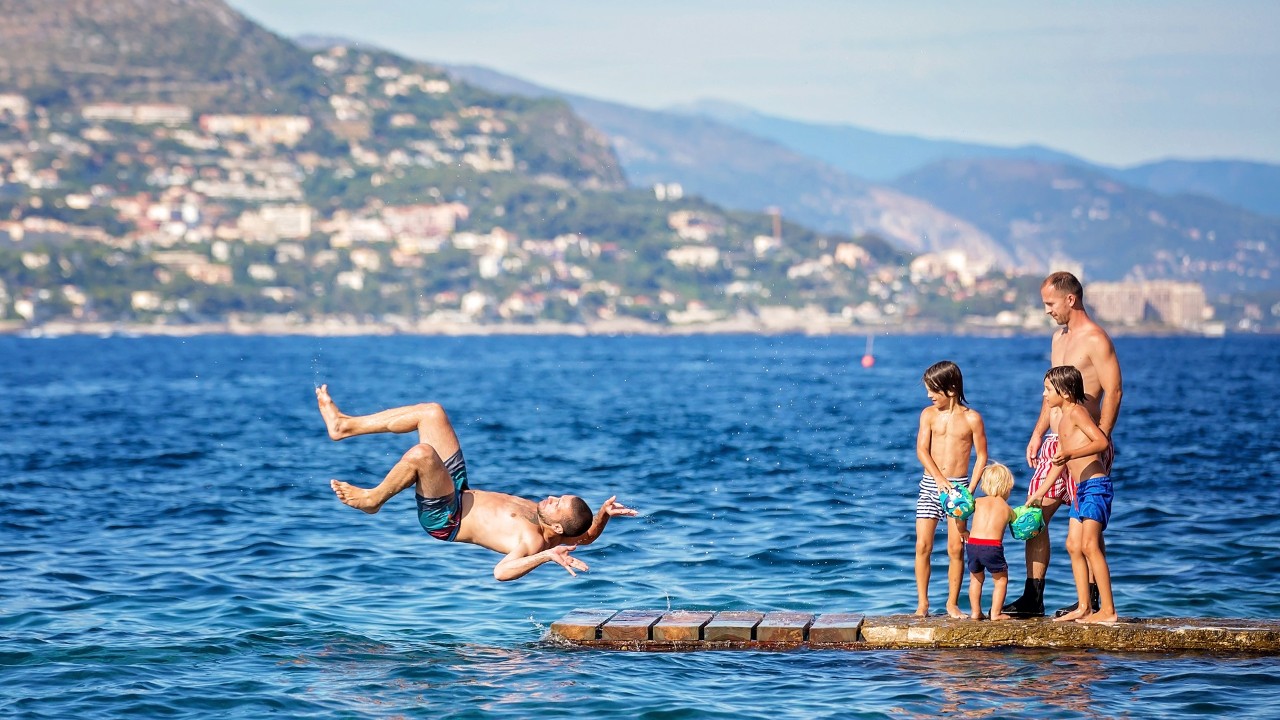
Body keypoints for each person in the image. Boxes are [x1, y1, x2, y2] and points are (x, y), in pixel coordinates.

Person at [315, 385, 637, 581]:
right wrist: (603, 514)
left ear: (555, 529)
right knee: (431, 412)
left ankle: (373, 500)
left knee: (423, 454)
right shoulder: (556, 528)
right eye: (557, 496)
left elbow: (501, 573)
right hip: (459, 488)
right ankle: (345, 426)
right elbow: (584, 537)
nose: (550, 497)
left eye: (556, 504)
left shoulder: (533, 542)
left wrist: (544, 557)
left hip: (446, 516)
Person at [1005, 271, 1122, 617]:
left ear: (1070, 299)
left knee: (1085, 528)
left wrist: (1101, 437)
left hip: (1085, 445)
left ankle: (1092, 601)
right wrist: (1037, 432)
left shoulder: (1096, 339)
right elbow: (1053, 392)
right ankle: (1033, 597)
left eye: (1049, 303)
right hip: (1054, 443)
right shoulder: (1058, 340)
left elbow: (1113, 390)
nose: (1046, 311)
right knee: (1034, 514)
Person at [1027, 366, 1117, 623]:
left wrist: (1071, 454)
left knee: (1089, 545)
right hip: (1080, 490)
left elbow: (1100, 442)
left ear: (1065, 393)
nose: (1044, 395)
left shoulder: (1078, 412)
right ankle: (1085, 607)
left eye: (1048, 390)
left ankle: (1108, 610)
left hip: (1095, 486)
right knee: (1072, 545)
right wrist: (1040, 493)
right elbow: (1059, 464)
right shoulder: (1064, 419)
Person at [914, 360, 988, 618]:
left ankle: (951, 604)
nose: (929, 395)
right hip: (930, 485)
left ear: (952, 388)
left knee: (956, 548)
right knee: (923, 545)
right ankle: (922, 604)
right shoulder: (928, 415)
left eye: (933, 390)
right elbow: (922, 450)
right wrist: (938, 479)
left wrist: (971, 489)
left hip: (959, 489)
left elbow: (981, 456)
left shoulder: (972, 418)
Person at [966, 463, 1017, 621]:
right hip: (992, 547)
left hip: (973, 544)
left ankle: (975, 612)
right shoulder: (1008, 509)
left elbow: (961, 515)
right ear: (1007, 486)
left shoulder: (978, 502)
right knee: (1001, 580)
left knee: (976, 579)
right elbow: (1018, 530)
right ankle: (995, 613)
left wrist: (962, 530)